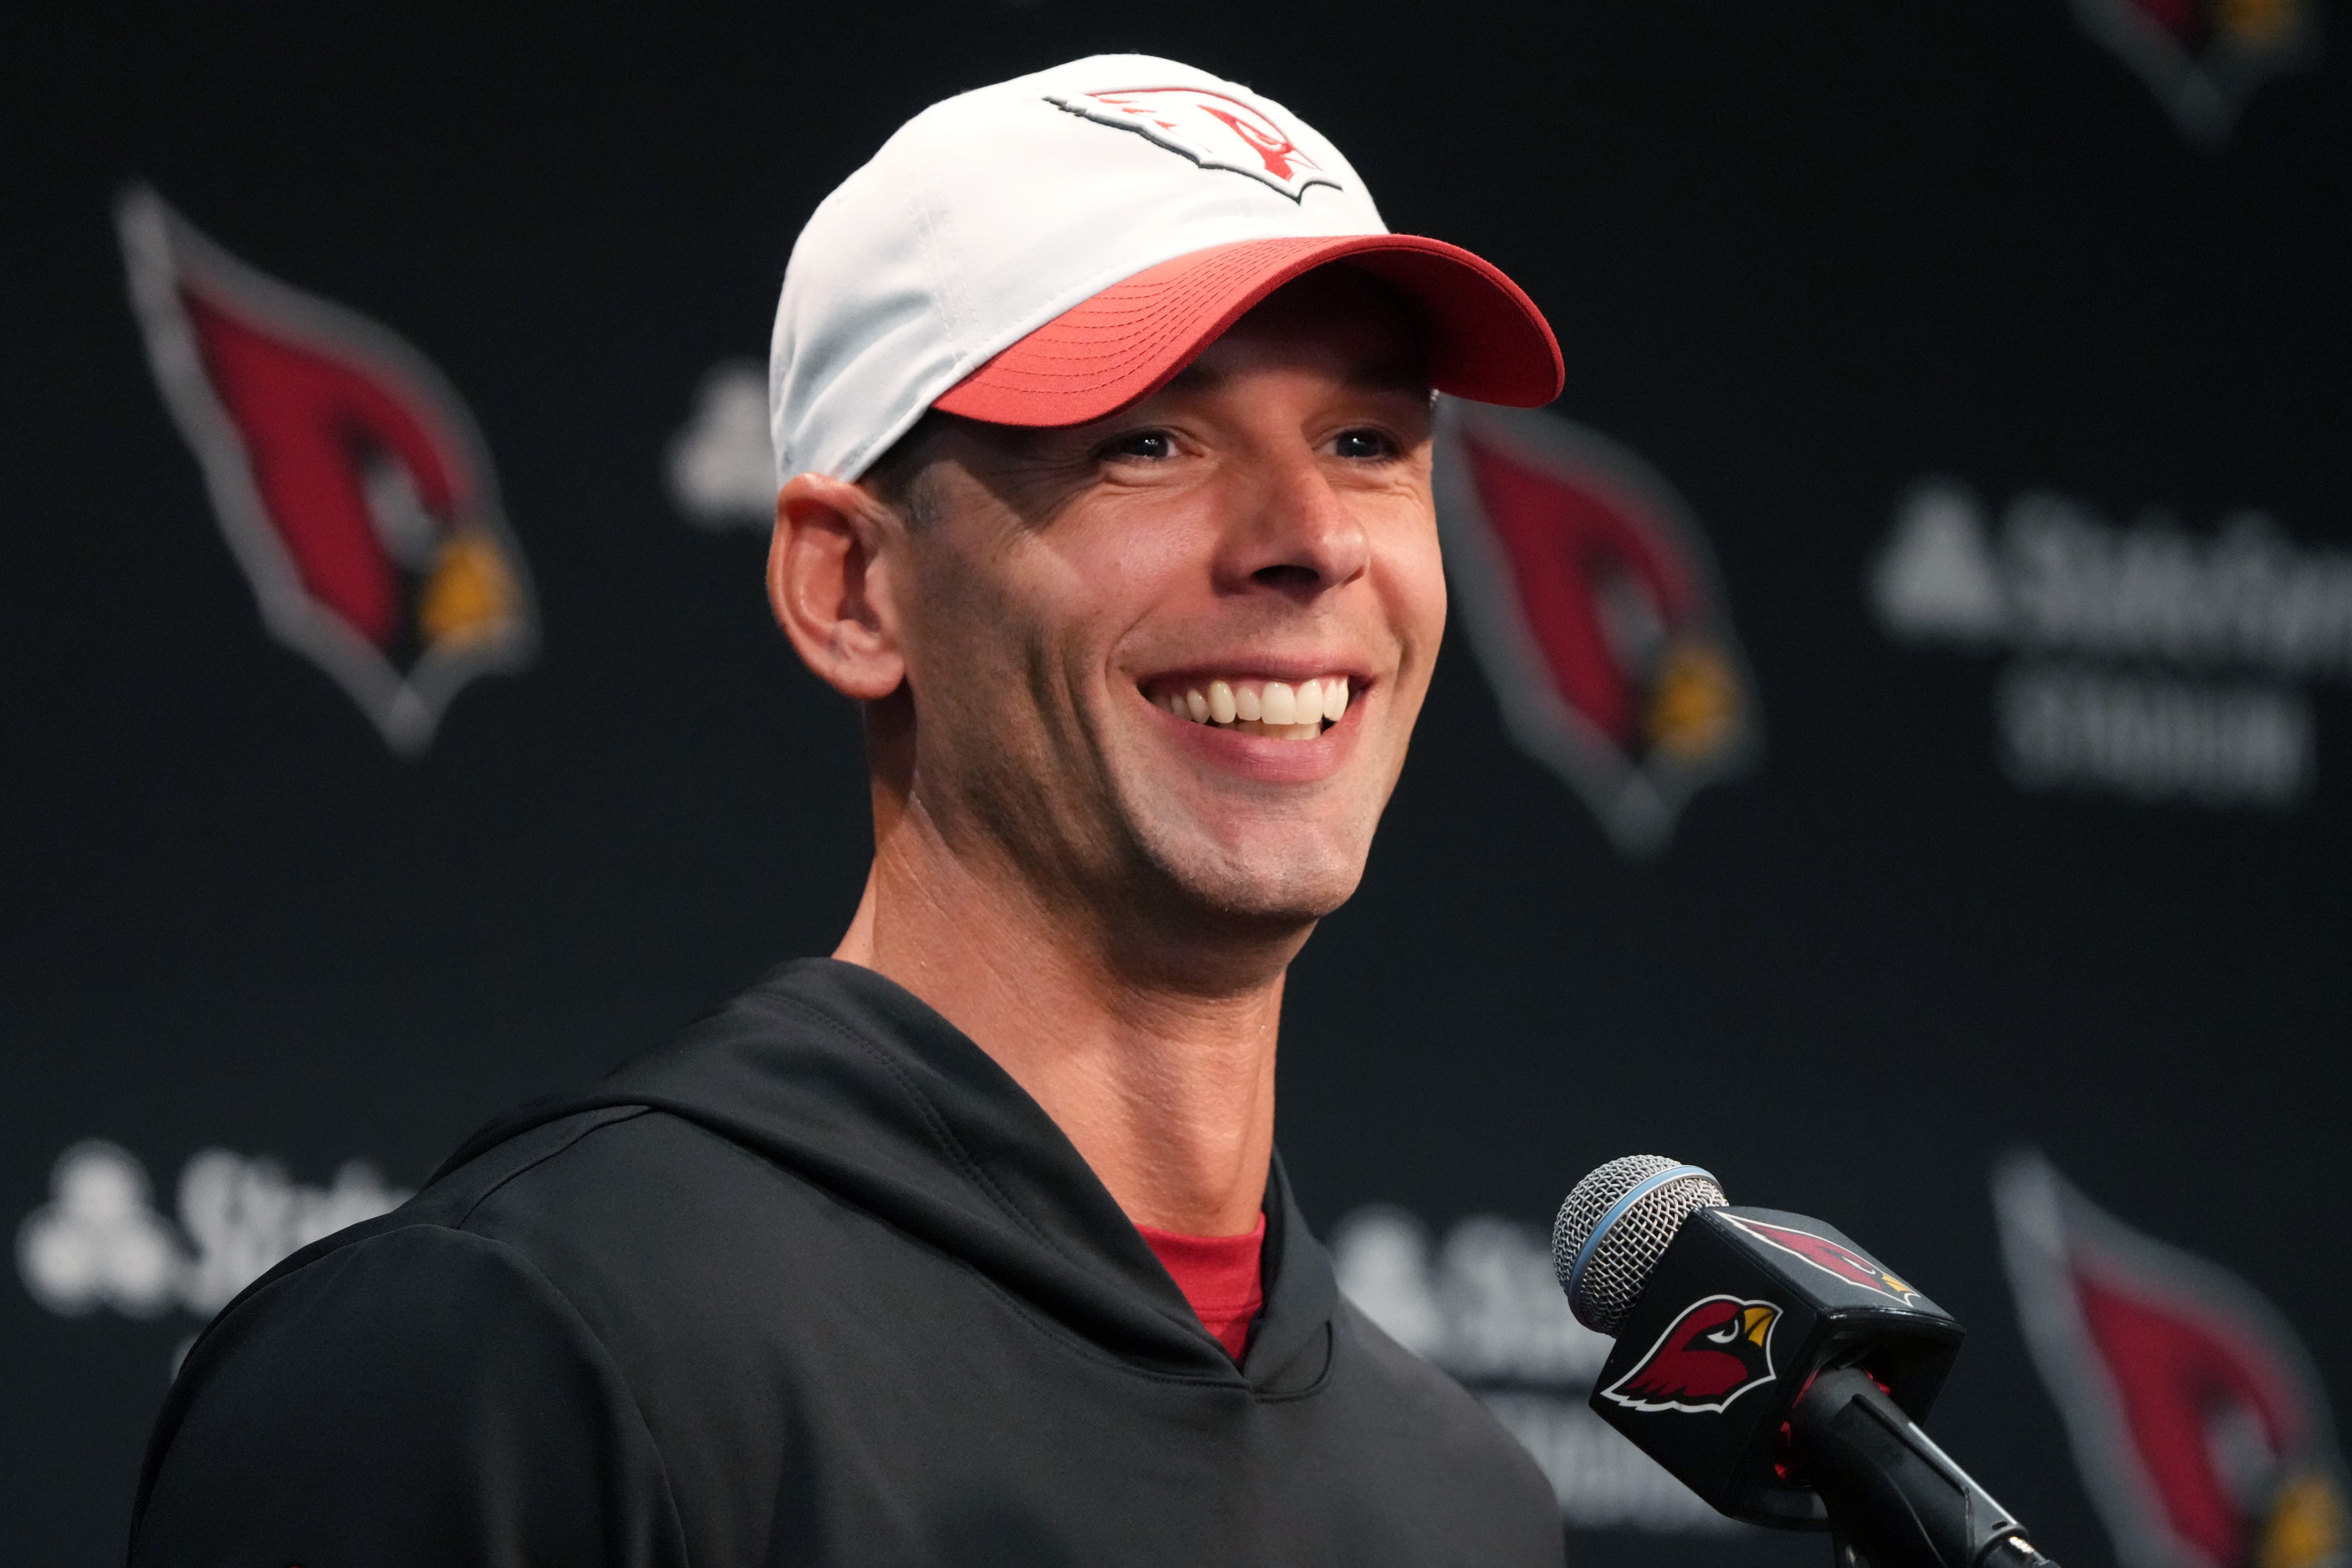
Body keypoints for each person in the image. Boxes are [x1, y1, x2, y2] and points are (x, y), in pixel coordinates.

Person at [130, 54, 1568, 1566]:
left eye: (1367, 444)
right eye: (1150, 440)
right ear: (851, 588)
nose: (1314, 539)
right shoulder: (508, 1360)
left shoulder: (1461, 1502)